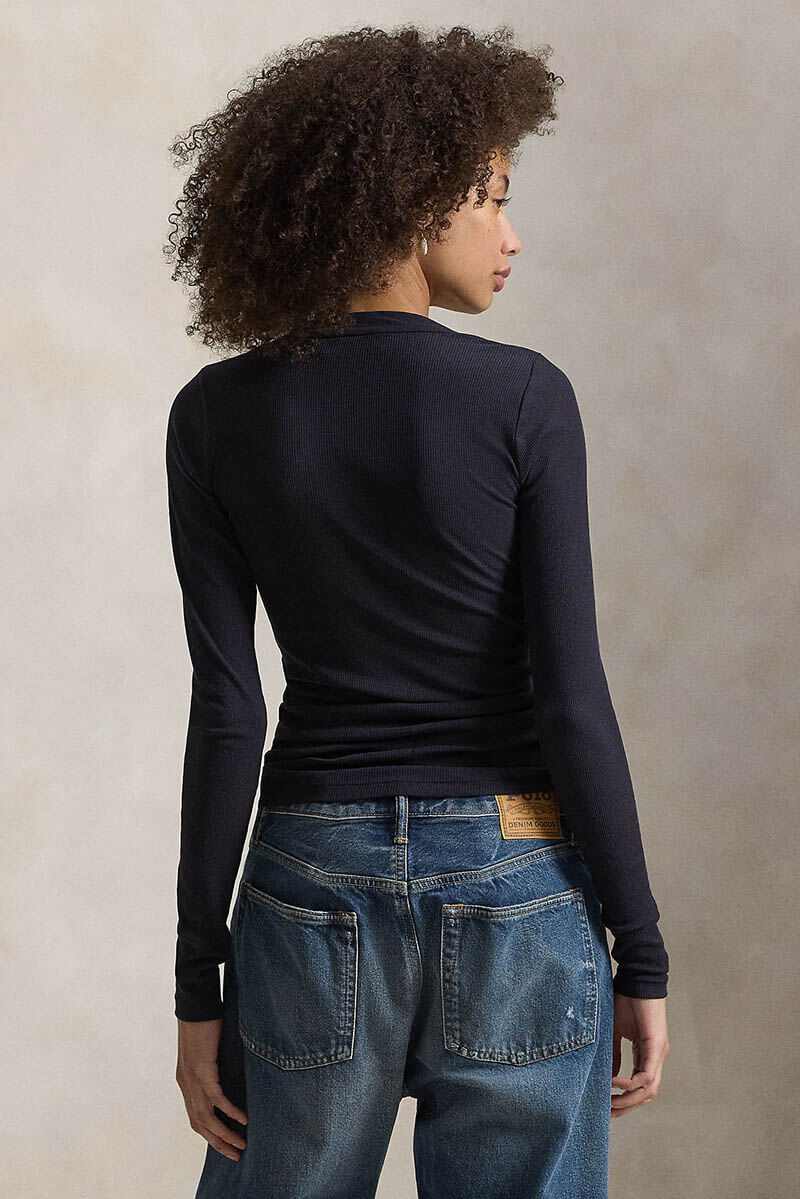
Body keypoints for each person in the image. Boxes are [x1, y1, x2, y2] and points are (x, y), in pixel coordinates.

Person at [164, 24, 670, 1199]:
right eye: (490, 197)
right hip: (515, 873)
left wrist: (198, 982)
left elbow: (228, 710)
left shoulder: (216, 414)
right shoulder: (521, 397)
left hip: (307, 874)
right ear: (406, 198)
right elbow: (569, 698)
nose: (509, 233)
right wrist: (638, 947)